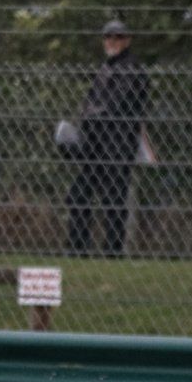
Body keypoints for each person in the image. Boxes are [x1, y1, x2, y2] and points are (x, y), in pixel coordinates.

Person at [64, 19, 149, 256]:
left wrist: (90, 114)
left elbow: (115, 106)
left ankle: (112, 251)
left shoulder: (132, 69)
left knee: (114, 199)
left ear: (127, 40)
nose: (112, 41)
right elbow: (90, 104)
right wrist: (88, 116)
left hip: (118, 144)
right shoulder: (105, 68)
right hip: (95, 143)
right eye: (108, 37)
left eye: (118, 37)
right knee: (79, 194)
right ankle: (77, 249)